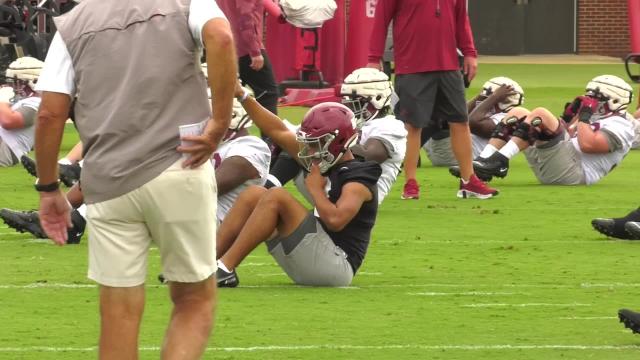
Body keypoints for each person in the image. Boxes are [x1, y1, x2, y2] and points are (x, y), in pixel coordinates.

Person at [34, 1, 237, 359]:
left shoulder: (72, 23)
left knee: (118, 313)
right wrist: (219, 123)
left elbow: (50, 113)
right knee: (193, 299)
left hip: (108, 179)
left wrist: (49, 188)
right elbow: (221, 36)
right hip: (181, 163)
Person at [216, 96, 381, 288]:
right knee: (254, 193)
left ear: (337, 141)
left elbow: (336, 221)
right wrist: (242, 95)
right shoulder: (326, 161)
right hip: (316, 255)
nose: (309, 150)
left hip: (337, 266)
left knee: (277, 196)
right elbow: (277, 131)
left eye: (315, 144)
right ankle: (209, 263)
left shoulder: (359, 178)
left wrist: (315, 190)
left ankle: (225, 269)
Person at [367, 0, 497, 200]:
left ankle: (468, 180)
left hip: (449, 64)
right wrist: (373, 58)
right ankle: (410, 183)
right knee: (412, 125)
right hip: (412, 65)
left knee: (460, 121)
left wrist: (470, 53)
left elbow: (462, 19)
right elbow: (381, 20)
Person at [266, 67, 406, 205]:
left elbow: (367, 157)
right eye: (347, 100)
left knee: (299, 144)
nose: (349, 107)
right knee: (293, 139)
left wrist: (328, 141)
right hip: (334, 183)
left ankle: (264, 190)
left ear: (377, 99)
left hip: (358, 196)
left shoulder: (390, 126)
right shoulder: (358, 123)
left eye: (355, 102)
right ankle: (261, 189)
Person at [462, 75, 635, 186]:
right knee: (519, 113)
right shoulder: (598, 117)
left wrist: (584, 117)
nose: (589, 100)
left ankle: (499, 161)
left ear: (615, 100)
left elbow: (588, 145)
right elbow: (567, 136)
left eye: (596, 97)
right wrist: (567, 119)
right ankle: (485, 161)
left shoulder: (622, 126)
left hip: (575, 175)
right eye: (589, 95)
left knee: (541, 113)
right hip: (563, 165)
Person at [424, 77, 524, 167]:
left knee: (443, 113)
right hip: (446, 151)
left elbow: (473, 123)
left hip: (460, 156)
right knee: (429, 111)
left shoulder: (507, 118)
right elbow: (459, 113)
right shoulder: (485, 111)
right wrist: (481, 96)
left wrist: (494, 97)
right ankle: (412, 154)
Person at [216, 0, 278, 116]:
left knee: (229, 97)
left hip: (225, 46)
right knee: (268, 95)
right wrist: (254, 51)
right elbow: (245, 16)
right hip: (244, 48)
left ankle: (231, 133)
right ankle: (270, 134)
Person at [0, 57, 43, 167]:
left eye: (17, 82)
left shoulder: (37, 103)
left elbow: (8, 122)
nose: (12, 86)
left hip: (5, 149)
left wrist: (2, 100)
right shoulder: (22, 100)